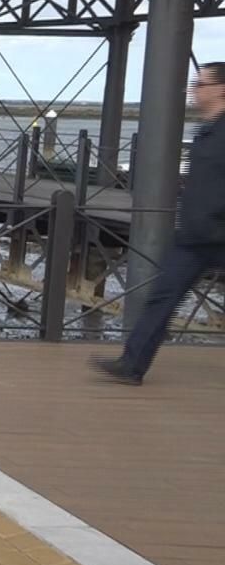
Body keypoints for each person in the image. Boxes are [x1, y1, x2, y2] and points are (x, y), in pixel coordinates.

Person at [92, 61, 225, 385]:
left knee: (162, 297)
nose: (194, 91)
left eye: (201, 85)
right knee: (161, 297)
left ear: (221, 89)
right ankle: (132, 365)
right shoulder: (205, 130)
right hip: (193, 236)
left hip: (220, 233)